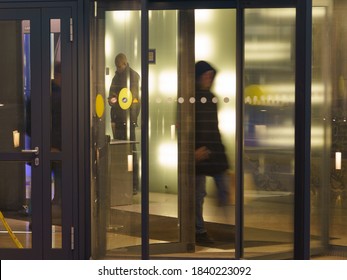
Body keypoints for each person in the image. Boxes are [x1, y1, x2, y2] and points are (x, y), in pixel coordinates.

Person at [194, 61, 230, 245]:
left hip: (213, 151)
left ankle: (227, 225)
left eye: (210, 76)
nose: (208, 79)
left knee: (224, 188)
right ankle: (198, 230)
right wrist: (193, 150)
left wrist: (219, 151)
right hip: (199, 153)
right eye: (205, 75)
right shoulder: (192, 99)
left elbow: (214, 128)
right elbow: (186, 127)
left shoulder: (211, 99)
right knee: (198, 194)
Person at [108, 53, 140, 194]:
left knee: (129, 153)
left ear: (124, 63)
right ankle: (127, 184)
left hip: (125, 121)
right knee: (125, 152)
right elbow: (112, 98)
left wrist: (116, 102)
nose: (119, 68)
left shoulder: (132, 77)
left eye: (119, 66)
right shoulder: (120, 77)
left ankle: (132, 184)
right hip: (122, 120)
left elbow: (133, 100)